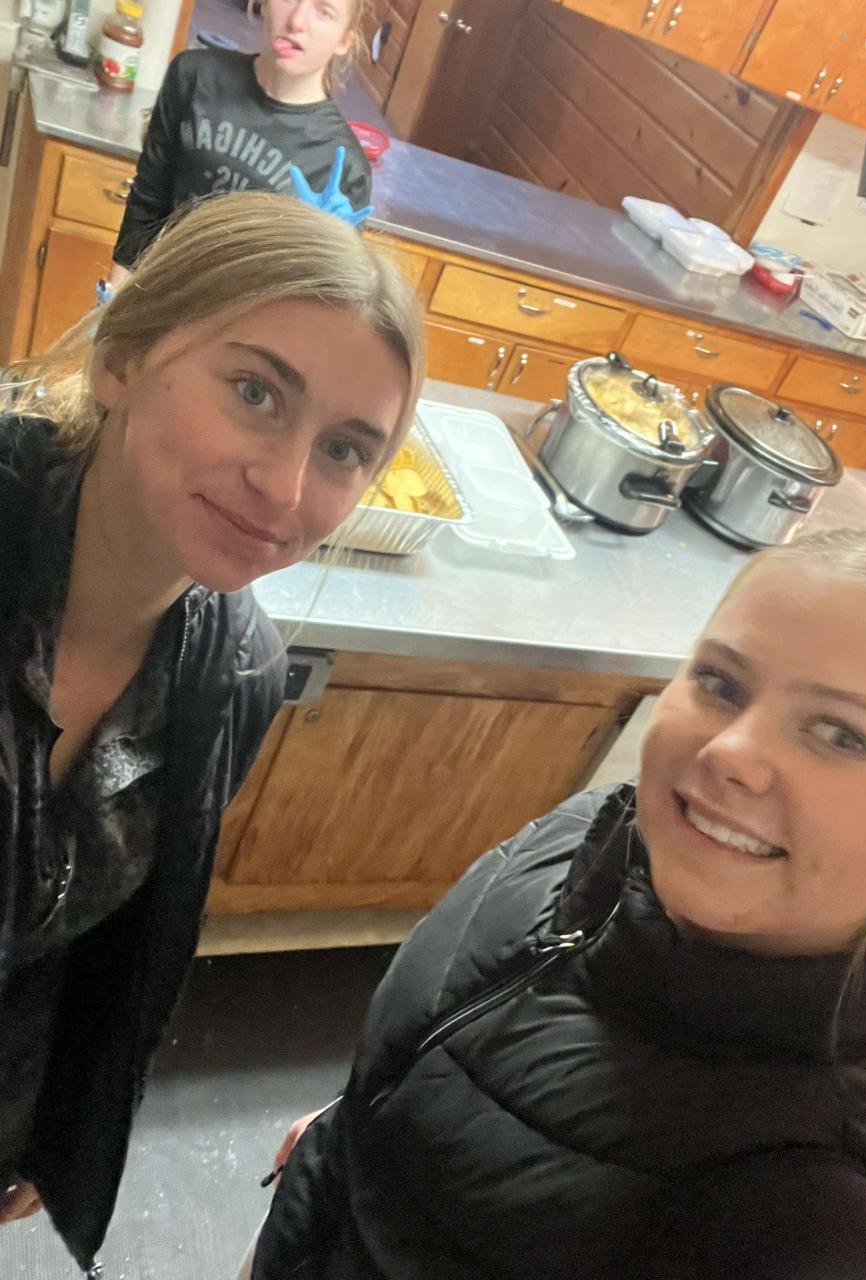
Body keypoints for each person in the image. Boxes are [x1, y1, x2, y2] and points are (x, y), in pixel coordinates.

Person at [251, 531, 866, 1279]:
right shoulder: (594, 828)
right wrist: (361, 1121)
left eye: (841, 734)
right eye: (721, 683)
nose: (730, 752)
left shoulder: (831, 1215)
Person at [0, 189, 422, 1277]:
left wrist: (46, 1119)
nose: (285, 486)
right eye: (255, 392)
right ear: (123, 358)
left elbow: (104, 946)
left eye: (344, 448)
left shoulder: (234, 673)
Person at [109, 0, 373, 290]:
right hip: (163, 297)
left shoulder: (342, 165)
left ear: (344, 41)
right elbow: (148, 201)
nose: (297, 21)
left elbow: (325, 295)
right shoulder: (194, 75)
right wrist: (111, 299)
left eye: (323, 12)